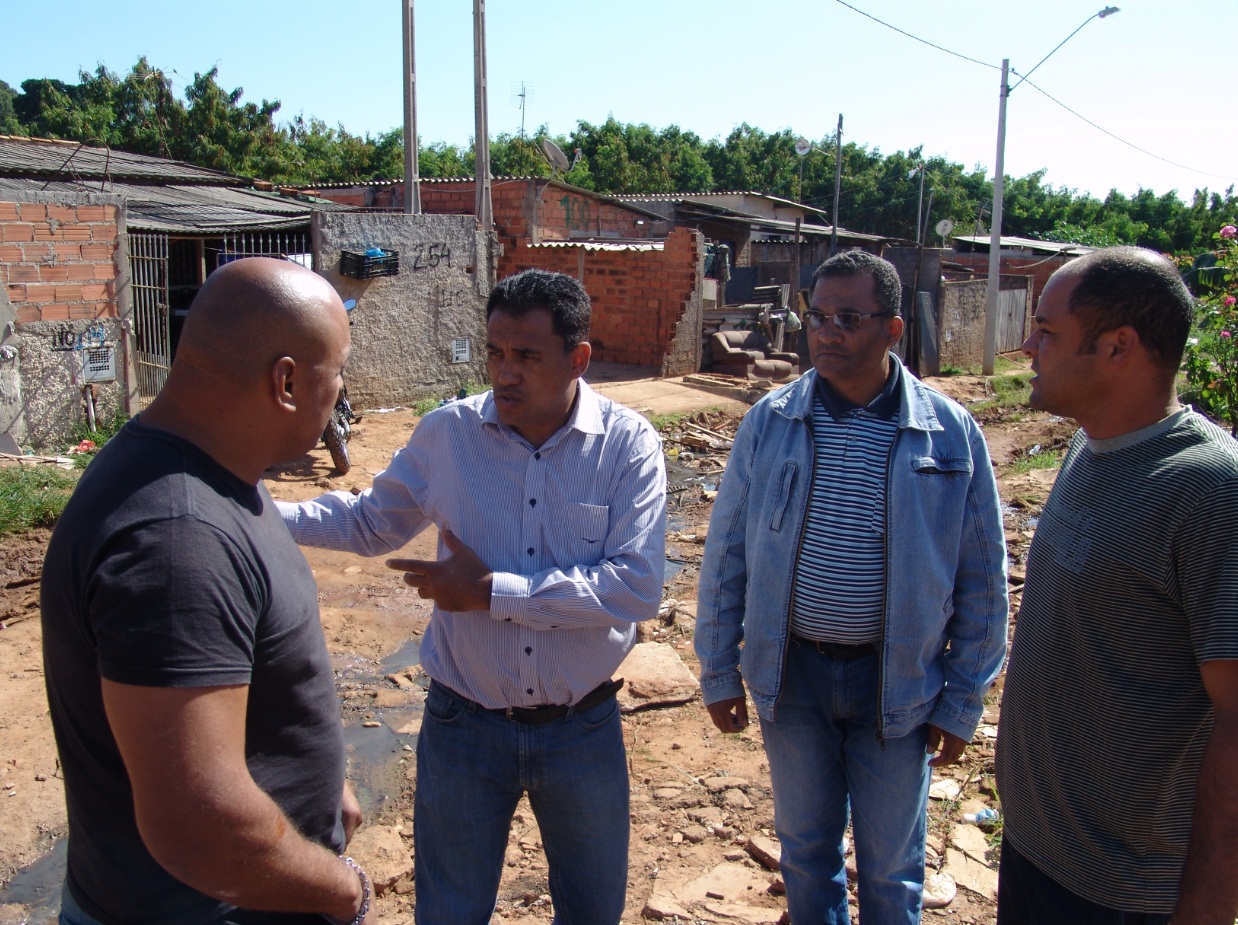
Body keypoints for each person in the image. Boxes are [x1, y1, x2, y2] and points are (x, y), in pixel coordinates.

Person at [278, 268, 667, 925]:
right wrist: (256, 511)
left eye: (526, 356)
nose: (504, 372)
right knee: (450, 913)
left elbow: (635, 584)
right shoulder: (448, 435)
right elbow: (371, 520)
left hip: (583, 729)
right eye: (494, 352)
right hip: (465, 727)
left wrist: (493, 593)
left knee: (593, 911)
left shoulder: (628, 446)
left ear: (579, 359)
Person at [41, 257, 373, 925]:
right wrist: (342, 889)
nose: (339, 390)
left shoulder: (211, 470)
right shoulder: (177, 537)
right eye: (336, 374)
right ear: (285, 380)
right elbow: (201, 824)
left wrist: (321, 780)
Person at [695, 250, 1008, 925]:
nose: (826, 332)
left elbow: (983, 580)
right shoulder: (772, 421)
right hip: (793, 677)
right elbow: (726, 555)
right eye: (818, 315)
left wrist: (961, 701)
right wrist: (718, 668)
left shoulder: (949, 434)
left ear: (894, 329)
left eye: (848, 318)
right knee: (806, 851)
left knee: (893, 868)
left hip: (898, 687)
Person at [995, 246, 1238, 925]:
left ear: (1117, 347)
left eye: (1047, 330)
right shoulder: (1088, 444)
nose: (1027, 345)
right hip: (1035, 848)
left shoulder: (1210, 488)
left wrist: (1208, 905)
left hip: (1118, 889)